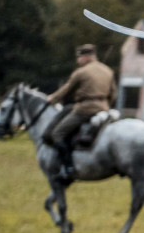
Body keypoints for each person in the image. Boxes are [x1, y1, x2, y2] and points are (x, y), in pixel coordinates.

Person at [45, 44, 117, 181]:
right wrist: (106, 105)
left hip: (85, 109)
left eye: (79, 57)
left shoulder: (81, 72)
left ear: (86, 57)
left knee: (57, 133)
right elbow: (114, 94)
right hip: (104, 108)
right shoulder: (108, 71)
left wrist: (51, 99)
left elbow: (66, 89)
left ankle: (68, 167)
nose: (78, 60)